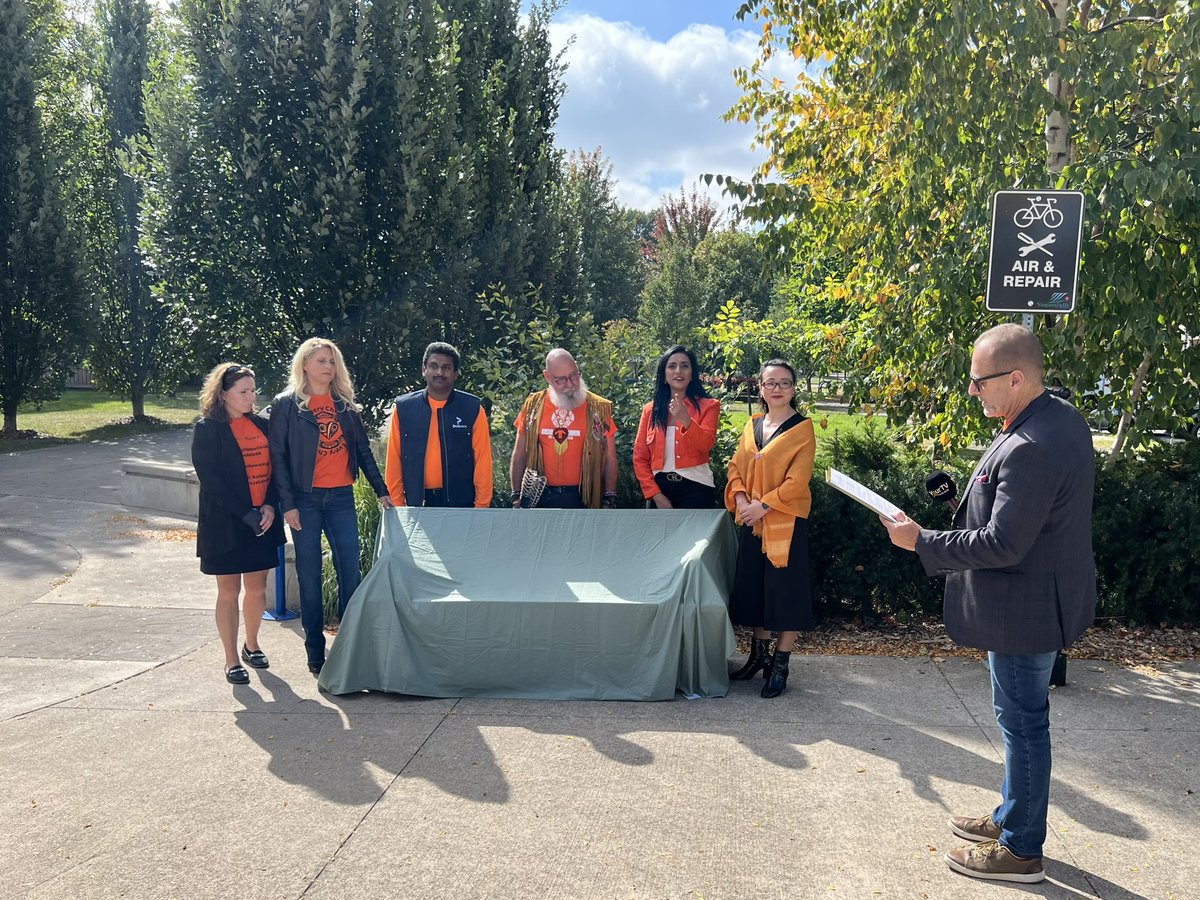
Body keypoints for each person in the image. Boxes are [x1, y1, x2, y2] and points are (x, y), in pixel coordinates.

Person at [881, 323, 1096, 885]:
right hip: (1037, 601)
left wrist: (921, 541)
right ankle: (1010, 817)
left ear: (1017, 378)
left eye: (980, 381)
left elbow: (1003, 543)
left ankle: (1022, 850)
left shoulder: (1032, 445)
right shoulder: (1058, 416)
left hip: (1025, 612)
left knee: (1023, 726)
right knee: (1020, 722)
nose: (973, 391)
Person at [268, 338, 394, 675]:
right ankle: (314, 653)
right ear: (305, 364)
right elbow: (277, 459)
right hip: (305, 501)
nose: (329, 367)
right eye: (322, 360)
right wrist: (288, 505)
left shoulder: (344, 406)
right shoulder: (286, 406)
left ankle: (349, 651)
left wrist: (381, 489)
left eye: (333, 362)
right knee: (309, 577)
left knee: (350, 573)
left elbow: (364, 451)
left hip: (341, 498)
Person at [725, 359, 816, 699]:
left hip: (785, 523)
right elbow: (736, 466)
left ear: (794, 387)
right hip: (752, 519)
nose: (777, 388)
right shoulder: (752, 425)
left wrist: (763, 506)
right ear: (760, 388)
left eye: (784, 382)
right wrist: (742, 499)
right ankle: (757, 656)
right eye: (770, 382)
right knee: (755, 589)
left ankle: (781, 664)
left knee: (785, 593)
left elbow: (798, 480)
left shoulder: (803, 429)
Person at [191, 363, 286, 684]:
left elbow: (277, 470)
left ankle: (252, 645)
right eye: (243, 392)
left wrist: (271, 505)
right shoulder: (207, 429)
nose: (251, 397)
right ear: (223, 394)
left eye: (253, 391)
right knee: (229, 591)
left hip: (263, 519)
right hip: (226, 524)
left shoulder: (263, 425)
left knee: (257, 589)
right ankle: (231, 660)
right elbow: (212, 481)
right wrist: (246, 513)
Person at [385, 342, 493, 508]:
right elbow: (394, 459)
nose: (439, 372)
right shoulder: (404, 408)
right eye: (433, 366)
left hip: (461, 504)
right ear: (424, 370)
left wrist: (481, 506)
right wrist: (398, 506)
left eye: (446, 367)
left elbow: (483, 462)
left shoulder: (472, 409)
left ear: (456, 373)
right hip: (417, 504)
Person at [509, 348, 618, 509]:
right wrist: (516, 494)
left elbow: (610, 458)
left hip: (584, 498)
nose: (570, 384)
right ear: (548, 377)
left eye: (574, 375)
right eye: (561, 379)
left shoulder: (598, 408)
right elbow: (519, 453)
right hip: (539, 498)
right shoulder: (533, 405)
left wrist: (609, 497)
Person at [633, 345, 720, 509]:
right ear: (664, 374)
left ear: (692, 373)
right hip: (659, 490)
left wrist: (686, 420)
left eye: (685, 366)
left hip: (697, 488)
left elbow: (706, 444)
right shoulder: (650, 410)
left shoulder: (709, 406)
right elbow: (640, 458)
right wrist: (655, 495)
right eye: (672, 366)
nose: (678, 371)